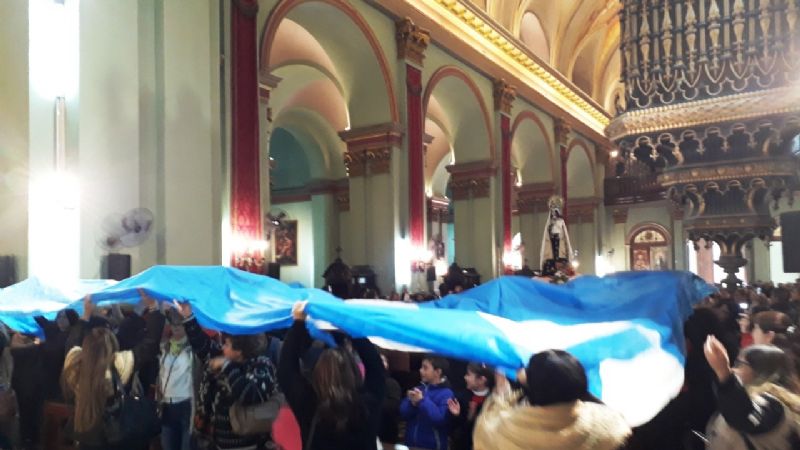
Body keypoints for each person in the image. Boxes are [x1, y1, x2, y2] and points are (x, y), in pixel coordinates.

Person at [61, 291, 166, 450]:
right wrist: (153, 308)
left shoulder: (75, 364)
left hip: (85, 431)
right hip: (114, 434)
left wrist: (85, 315)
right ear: (112, 345)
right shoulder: (118, 364)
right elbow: (149, 345)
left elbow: (72, 342)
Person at [172, 301, 279, 450]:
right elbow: (202, 346)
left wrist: (228, 367)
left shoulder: (262, 366)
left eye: (227, 344)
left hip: (248, 445)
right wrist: (188, 316)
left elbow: (249, 395)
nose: (222, 347)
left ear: (239, 350)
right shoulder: (223, 358)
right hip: (216, 442)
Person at [277, 301, 384, 450]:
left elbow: (286, 369)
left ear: (318, 375)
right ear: (353, 371)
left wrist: (298, 323)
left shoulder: (309, 404)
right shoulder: (367, 404)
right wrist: (350, 329)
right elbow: (376, 368)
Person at [473, 350, 631, 450]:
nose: (521, 371)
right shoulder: (605, 422)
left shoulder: (500, 431)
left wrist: (501, 397)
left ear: (534, 387)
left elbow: (484, 431)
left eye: (528, 370)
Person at [703, 337, 800, 449]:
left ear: (760, 371)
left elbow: (743, 418)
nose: (734, 369)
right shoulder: (784, 400)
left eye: (739, 363)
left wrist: (724, 373)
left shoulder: (771, 405)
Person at [158, 309, 195, 450]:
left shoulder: (193, 347)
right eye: (173, 323)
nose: (176, 327)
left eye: (180, 323)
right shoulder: (164, 346)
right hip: (166, 405)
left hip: (186, 403)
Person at [400, 356, 453, 450]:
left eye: (425, 368)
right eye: (421, 367)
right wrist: (412, 404)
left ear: (438, 372)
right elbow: (403, 413)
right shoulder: (418, 389)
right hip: (410, 444)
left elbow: (439, 419)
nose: (420, 370)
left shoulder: (447, 393)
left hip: (433, 446)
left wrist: (422, 400)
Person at [448, 362, 493, 450]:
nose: (465, 377)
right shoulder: (461, 398)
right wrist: (458, 415)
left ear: (481, 380)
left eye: (468, 375)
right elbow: (456, 432)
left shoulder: (493, 398)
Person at [379, 353, 402, 446]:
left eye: (382, 360)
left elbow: (393, 406)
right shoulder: (364, 381)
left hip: (386, 430)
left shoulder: (391, 383)